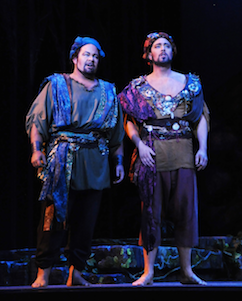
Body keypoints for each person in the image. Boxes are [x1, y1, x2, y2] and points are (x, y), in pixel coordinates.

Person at [26, 36, 125, 287]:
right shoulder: (57, 84)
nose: (91, 59)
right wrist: (36, 150)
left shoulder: (108, 90)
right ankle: (44, 272)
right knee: (53, 217)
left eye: (95, 56)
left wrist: (120, 161)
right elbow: (38, 120)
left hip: (95, 161)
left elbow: (116, 133)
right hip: (62, 159)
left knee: (86, 220)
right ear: (74, 58)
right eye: (86, 54)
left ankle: (76, 272)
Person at [118, 32, 209, 286]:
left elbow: (200, 116)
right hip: (152, 152)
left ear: (173, 51)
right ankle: (148, 272)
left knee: (186, 210)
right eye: (157, 46)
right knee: (151, 212)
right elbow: (129, 122)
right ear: (148, 54)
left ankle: (187, 270)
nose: (163, 49)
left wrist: (202, 148)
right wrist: (139, 146)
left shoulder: (190, 83)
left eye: (167, 45)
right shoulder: (138, 87)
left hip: (183, 151)